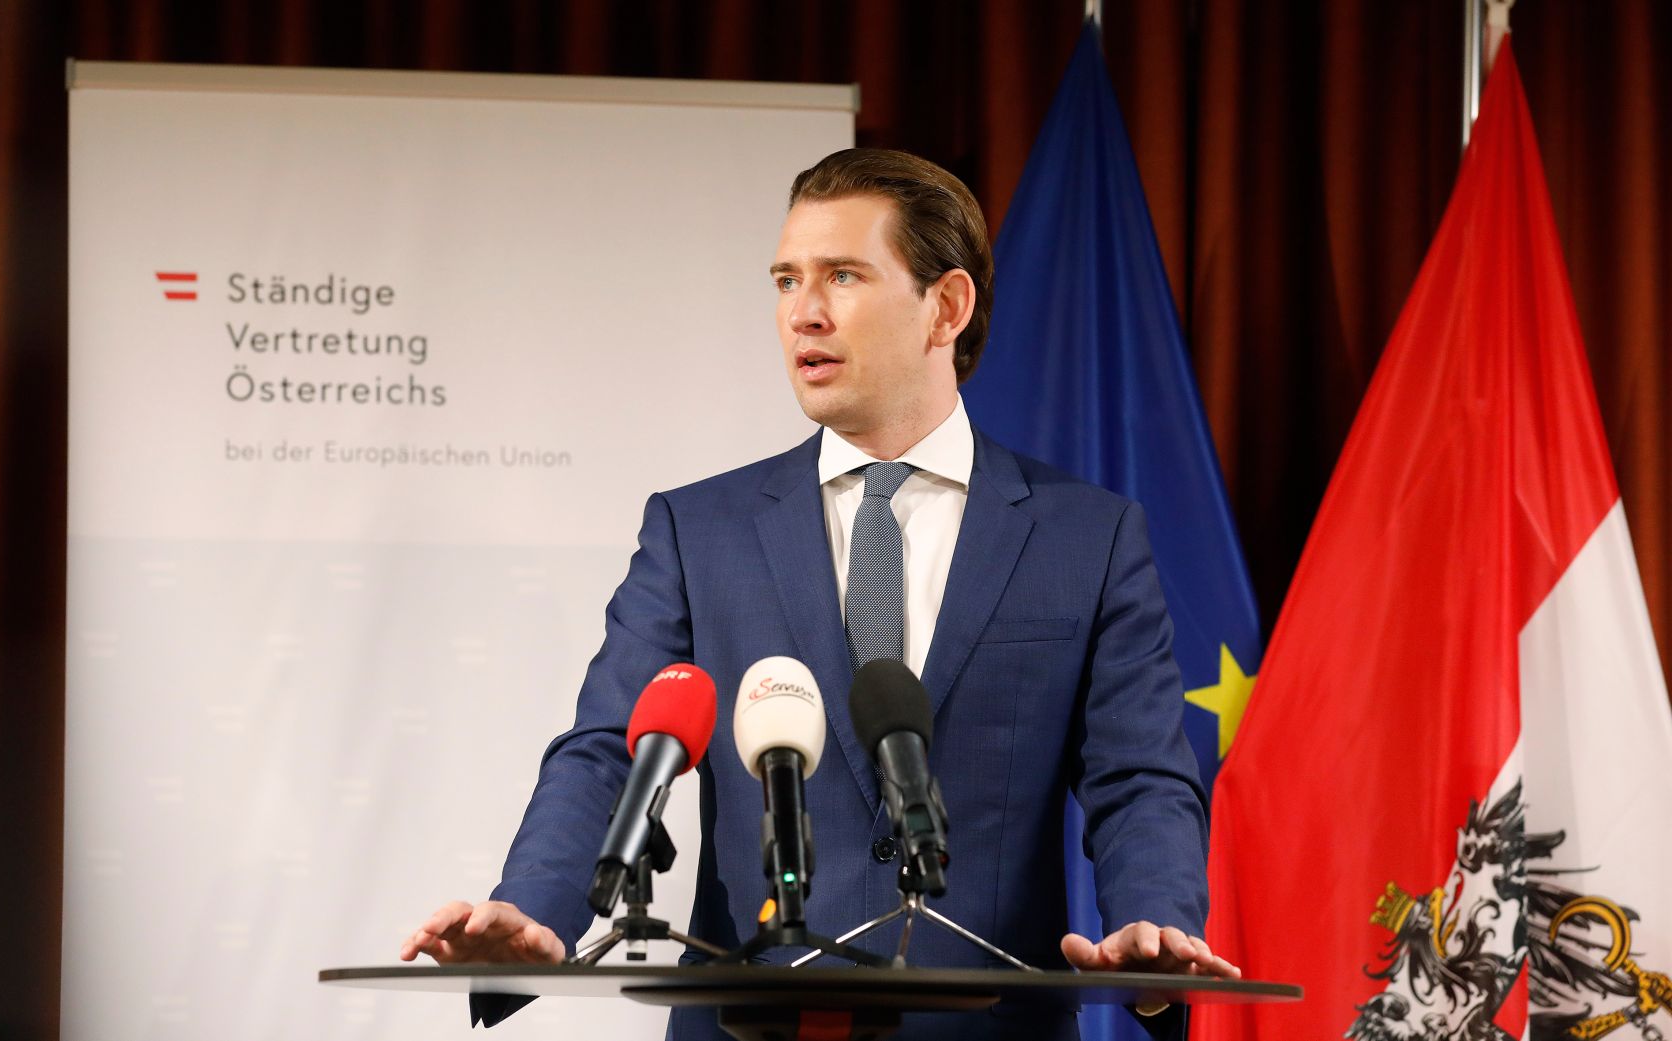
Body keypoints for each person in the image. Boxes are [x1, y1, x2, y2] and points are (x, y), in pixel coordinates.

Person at [400, 149, 1239, 1040]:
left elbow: (1138, 776)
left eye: (843, 275)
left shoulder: (1087, 537)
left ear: (946, 307)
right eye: (786, 279)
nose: (803, 311)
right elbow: (613, 746)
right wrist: (535, 908)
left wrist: (1156, 923)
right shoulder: (699, 530)